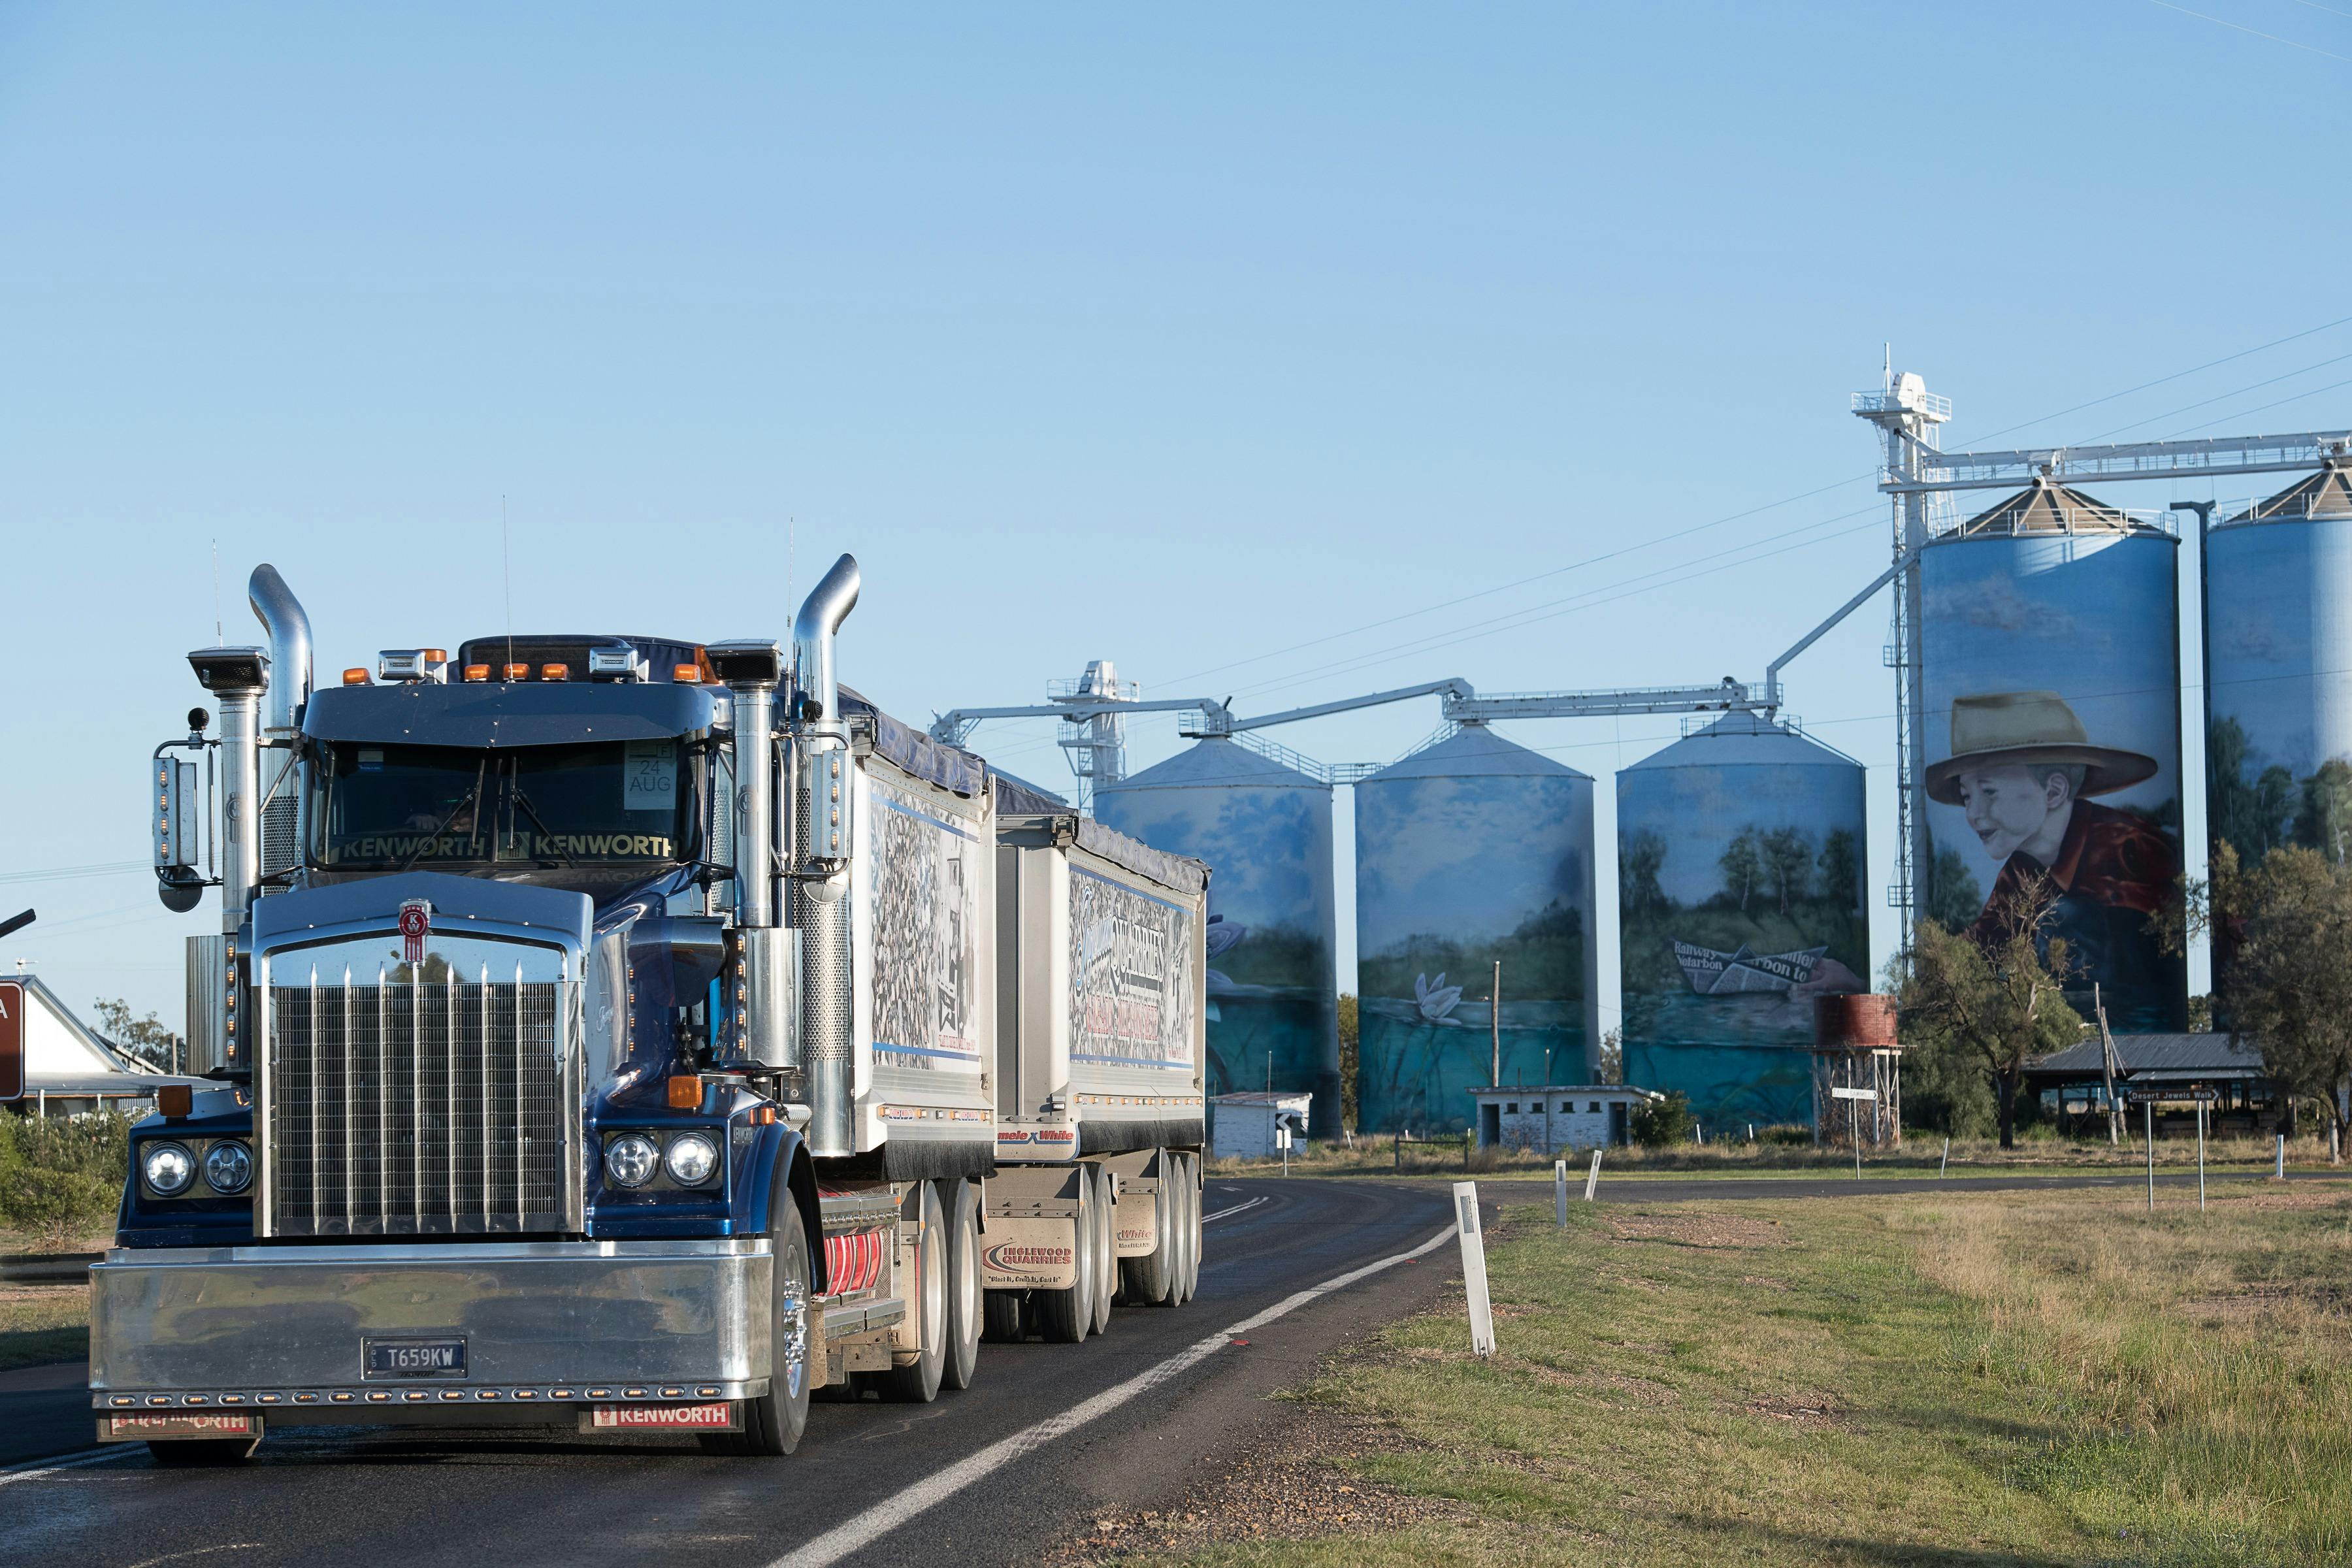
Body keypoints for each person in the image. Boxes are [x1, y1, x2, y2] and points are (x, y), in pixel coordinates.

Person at [1925, 691, 2180, 1019]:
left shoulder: (2128, 850)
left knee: (2066, 914)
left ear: (2054, 790)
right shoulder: (2021, 872)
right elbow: (1976, 950)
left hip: (2144, 1044)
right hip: (2075, 1041)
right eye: (1966, 797)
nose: (1973, 814)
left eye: (1988, 792)